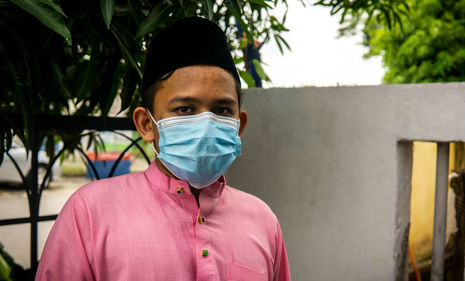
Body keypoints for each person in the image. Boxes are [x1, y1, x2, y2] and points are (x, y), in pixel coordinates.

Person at [35, 16, 291, 281]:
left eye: (221, 110)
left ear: (239, 125)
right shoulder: (89, 213)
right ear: (146, 124)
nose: (205, 123)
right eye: (184, 109)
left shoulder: (262, 220)